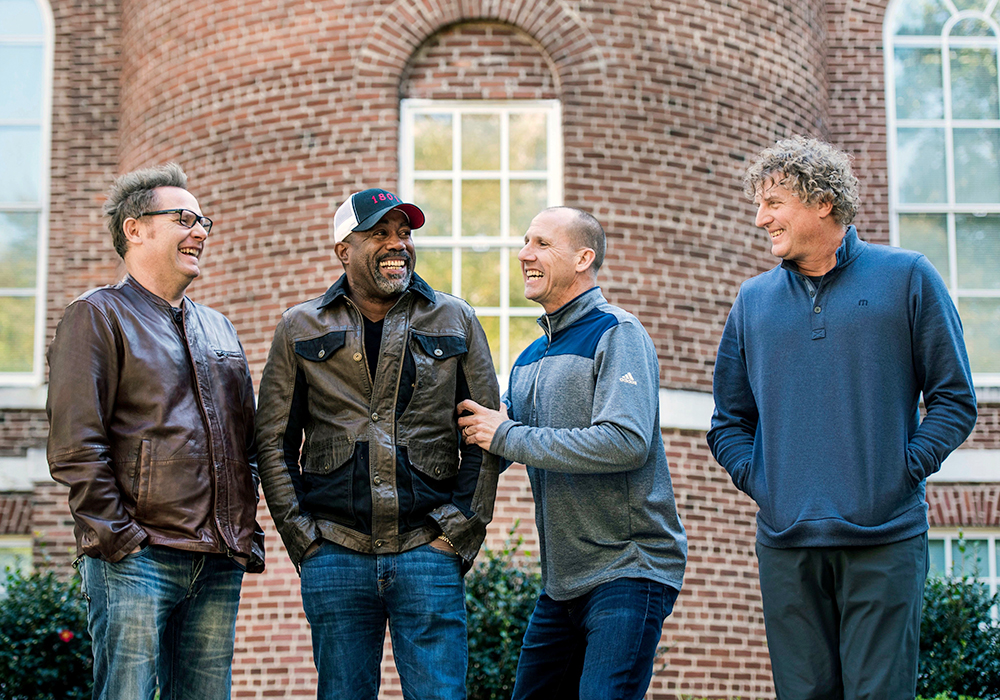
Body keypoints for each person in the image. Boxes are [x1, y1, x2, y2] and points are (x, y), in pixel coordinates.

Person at [707, 136, 978, 699]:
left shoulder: (906, 277)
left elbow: (954, 400)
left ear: (822, 201)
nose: (761, 220)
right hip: (786, 543)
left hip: (885, 537)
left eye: (774, 203)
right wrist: (765, 483)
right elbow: (728, 422)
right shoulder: (752, 301)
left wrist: (900, 471)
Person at [255, 187, 500, 700]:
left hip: (428, 550)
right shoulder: (299, 327)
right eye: (380, 233)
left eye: (405, 233)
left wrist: (456, 533)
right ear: (343, 249)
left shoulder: (456, 319)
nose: (398, 244)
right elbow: (274, 443)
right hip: (336, 554)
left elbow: (484, 436)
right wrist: (306, 542)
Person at [46, 163, 265, 700]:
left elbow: (247, 442)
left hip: (217, 559)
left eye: (204, 221)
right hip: (136, 559)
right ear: (135, 228)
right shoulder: (96, 315)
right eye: (184, 218)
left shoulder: (219, 327)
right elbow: (76, 447)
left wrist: (242, 527)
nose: (201, 232)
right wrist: (122, 539)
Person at [457, 206, 687, 700]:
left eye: (541, 243)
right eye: (525, 242)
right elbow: (496, 438)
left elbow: (624, 441)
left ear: (584, 257)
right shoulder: (529, 358)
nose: (525, 254)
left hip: (629, 567)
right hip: (562, 584)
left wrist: (506, 435)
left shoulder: (617, 334)